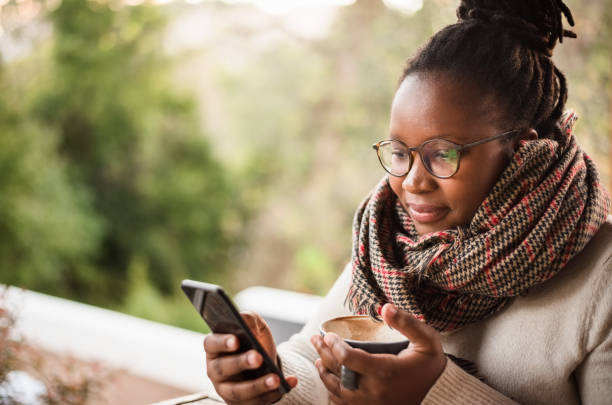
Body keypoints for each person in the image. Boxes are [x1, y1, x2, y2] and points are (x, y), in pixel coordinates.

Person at [202, 0, 612, 404]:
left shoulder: (603, 277)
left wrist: (436, 394)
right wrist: (269, 380)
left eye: (443, 154)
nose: (413, 182)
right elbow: (313, 362)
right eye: (400, 153)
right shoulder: (389, 244)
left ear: (524, 153)